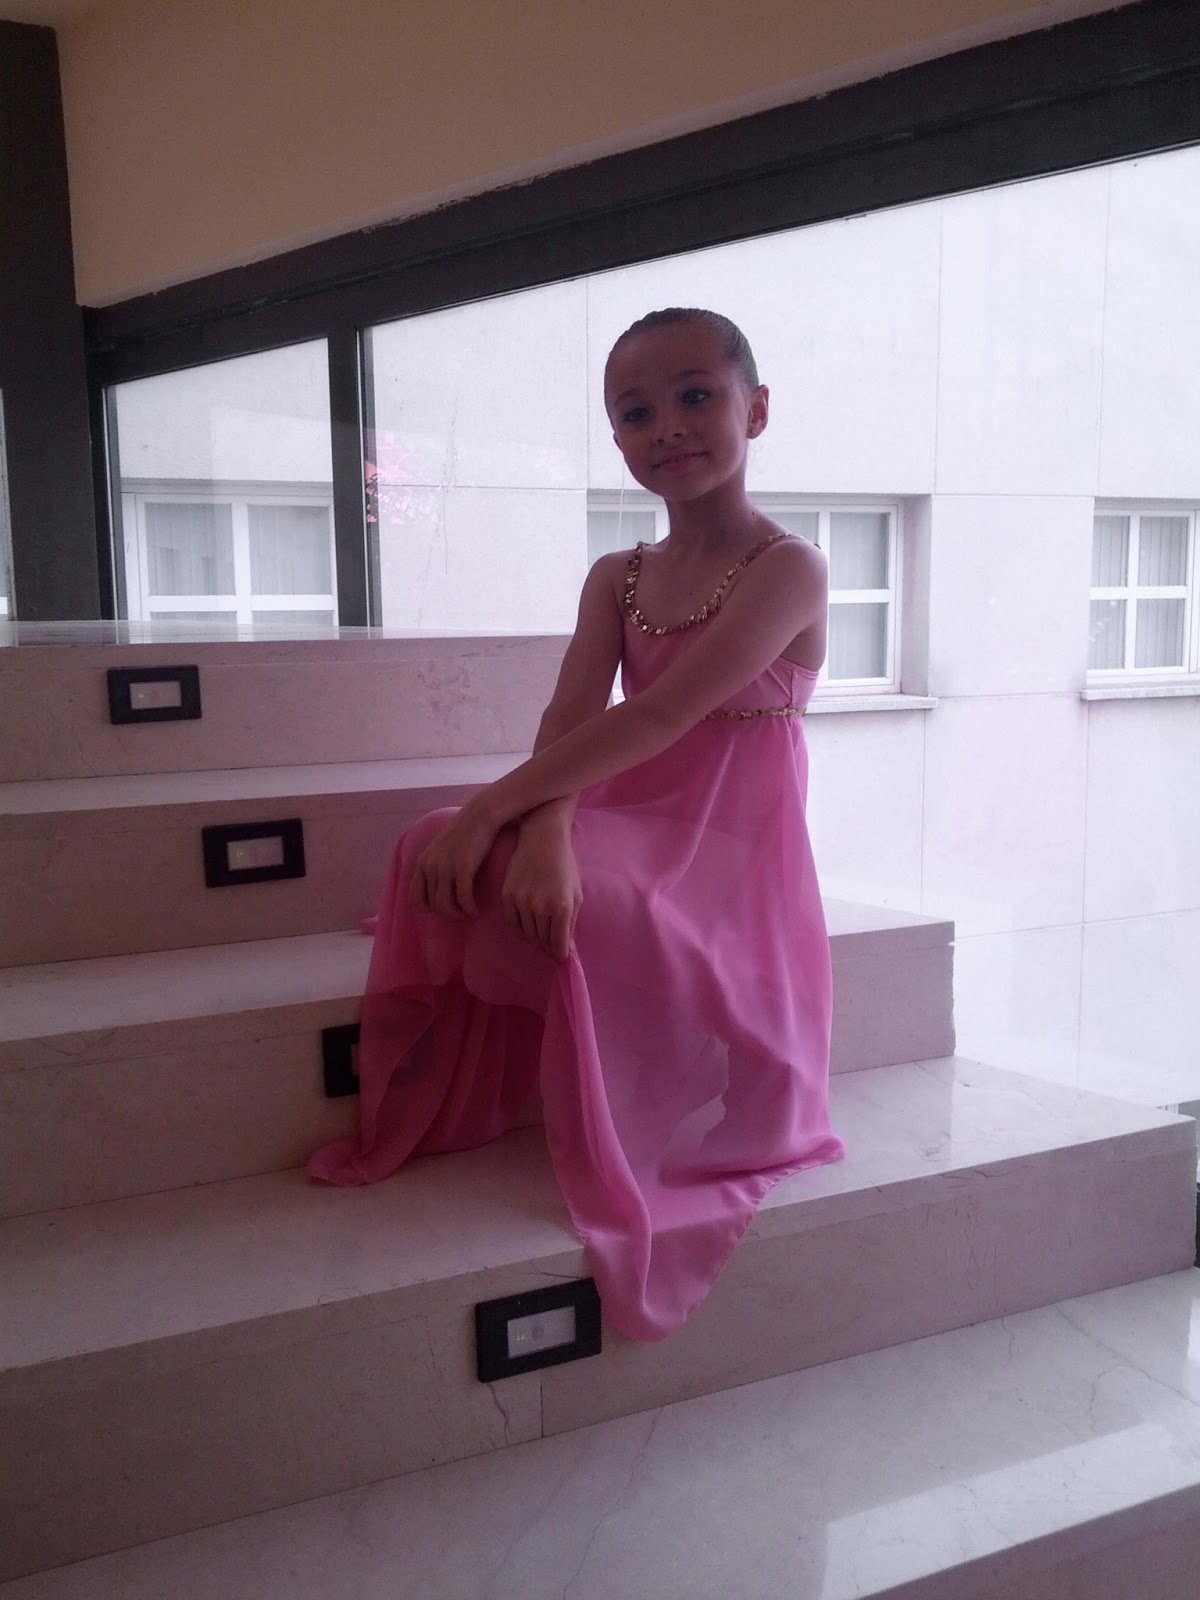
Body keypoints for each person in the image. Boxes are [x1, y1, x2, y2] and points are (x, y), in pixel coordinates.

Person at [309, 307, 845, 1340]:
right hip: (618, 804)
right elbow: (572, 717)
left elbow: (661, 715)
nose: (667, 427)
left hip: (729, 845)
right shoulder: (618, 574)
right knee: (430, 841)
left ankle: (687, 1060)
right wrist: (543, 829)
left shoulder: (791, 567)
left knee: (504, 851)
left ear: (756, 410)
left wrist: (498, 808)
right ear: (617, 439)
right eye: (636, 413)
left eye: (696, 396)